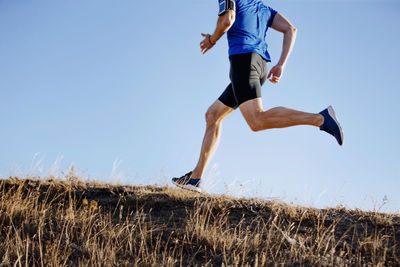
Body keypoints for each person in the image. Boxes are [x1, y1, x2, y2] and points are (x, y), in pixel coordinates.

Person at [172, 0, 343, 192]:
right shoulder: (263, 8)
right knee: (213, 115)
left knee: (256, 120)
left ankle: (320, 119)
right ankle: (196, 178)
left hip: (244, 61)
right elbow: (291, 29)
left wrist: (212, 40)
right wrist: (281, 64)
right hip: (259, 65)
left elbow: (227, 20)